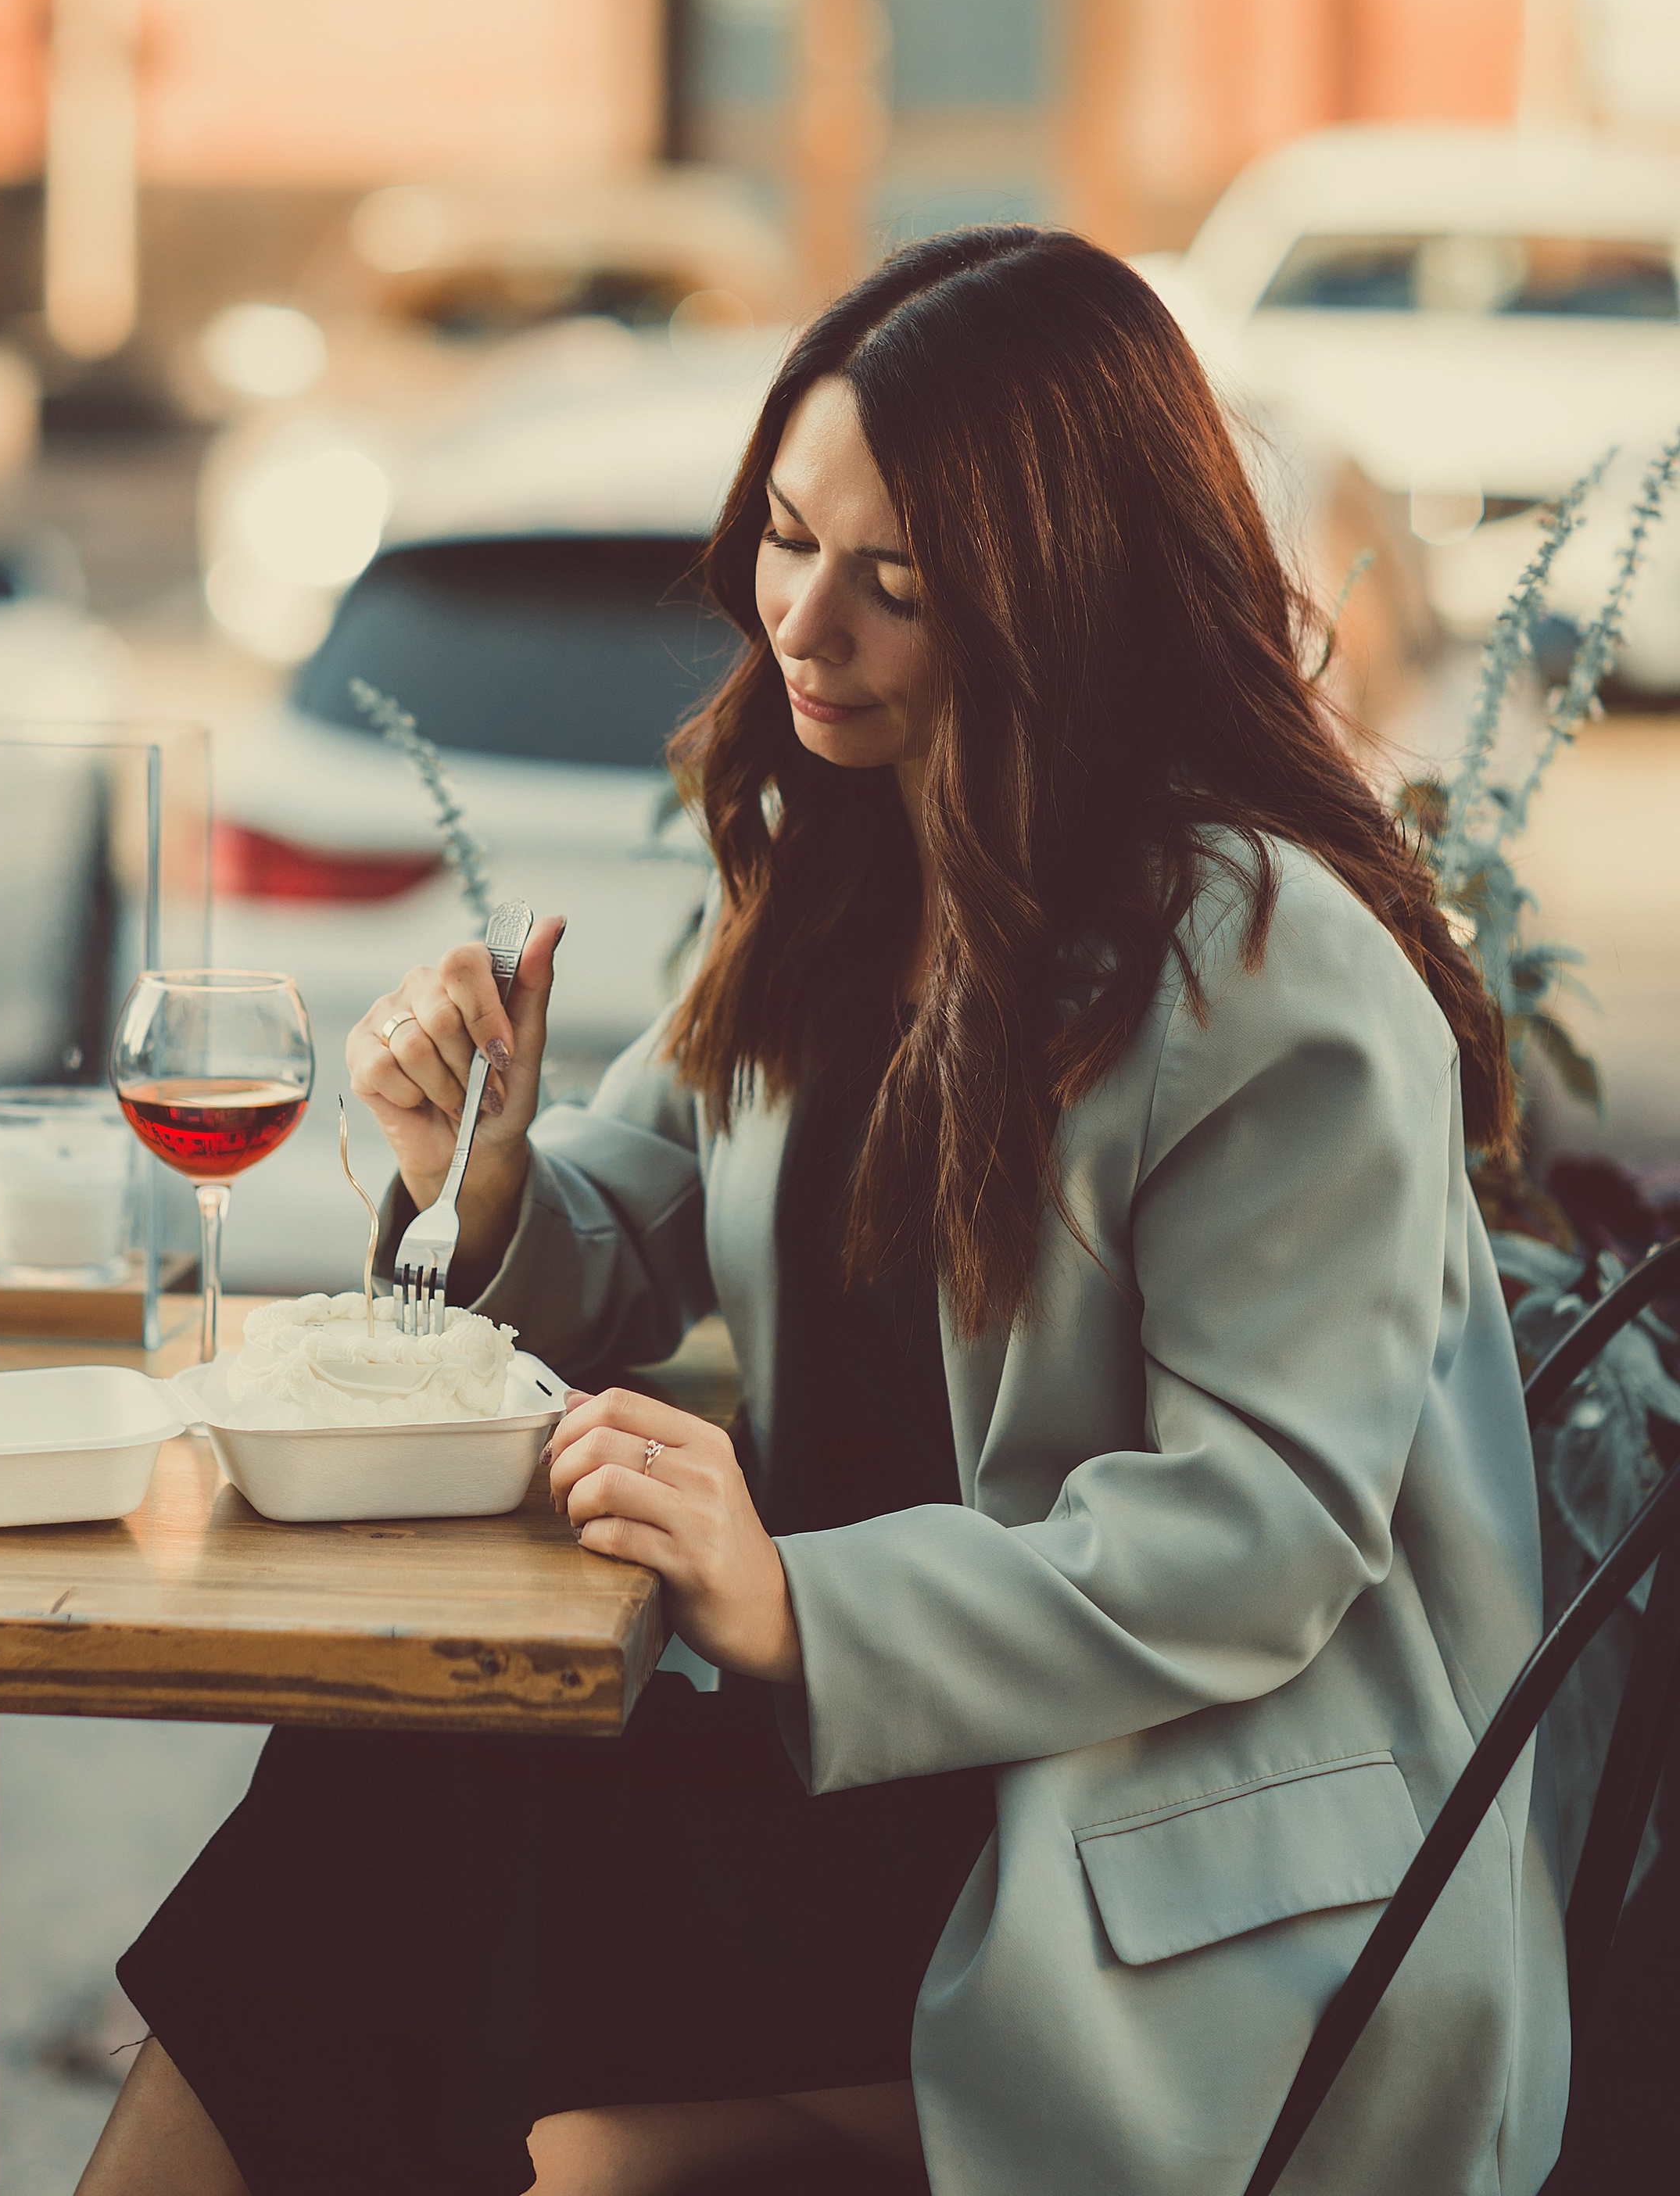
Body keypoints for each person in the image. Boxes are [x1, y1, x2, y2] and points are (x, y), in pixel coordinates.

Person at [80, 227, 1568, 2196]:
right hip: (891, 1774)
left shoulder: (1262, 964)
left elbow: (1256, 1534)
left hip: (1162, 1859)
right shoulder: (845, 856)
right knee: (391, 1814)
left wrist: (789, 1597)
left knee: (399, 1880)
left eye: (898, 584)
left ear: (1062, 597)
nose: (805, 627)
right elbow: (640, 1203)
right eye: (786, 541)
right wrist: (486, 1168)